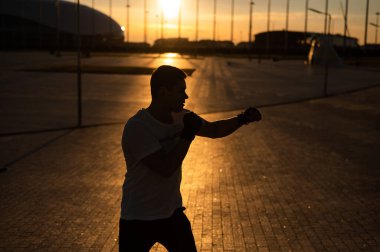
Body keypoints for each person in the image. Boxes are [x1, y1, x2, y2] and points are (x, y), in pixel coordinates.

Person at [119, 65, 262, 251]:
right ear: (163, 92)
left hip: (171, 214)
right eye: (181, 91)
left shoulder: (183, 118)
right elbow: (165, 168)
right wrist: (187, 135)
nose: (186, 97)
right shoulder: (137, 127)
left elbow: (214, 130)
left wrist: (242, 119)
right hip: (138, 218)